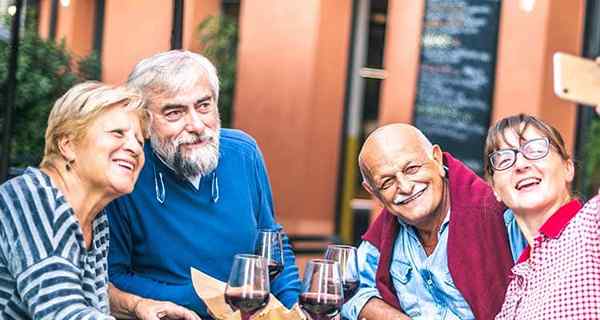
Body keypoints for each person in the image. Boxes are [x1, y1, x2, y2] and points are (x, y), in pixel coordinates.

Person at [106, 50, 302, 318]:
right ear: (145, 122)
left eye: (204, 105)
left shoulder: (243, 152)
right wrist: (207, 297)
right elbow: (113, 277)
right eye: (174, 113)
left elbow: (271, 244)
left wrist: (294, 306)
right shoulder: (127, 171)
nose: (197, 125)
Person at [0, 82, 198, 320]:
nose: (135, 148)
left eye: (139, 141)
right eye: (118, 133)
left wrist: (137, 305)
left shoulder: (95, 218)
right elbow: (62, 312)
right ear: (67, 144)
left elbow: (85, 293)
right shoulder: (32, 199)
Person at [341, 123, 524, 320]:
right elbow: (345, 288)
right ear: (373, 192)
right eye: (387, 182)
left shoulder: (501, 217)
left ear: (437, 159)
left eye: (412, 168)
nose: (405, 187)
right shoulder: (386, 229)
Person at [484, 114, 600, 319]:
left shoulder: (592, 225)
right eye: (504, 159)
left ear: (568, 168)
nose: (520, 165)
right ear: (495, 190)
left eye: (536, 150)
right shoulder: (515, 289)